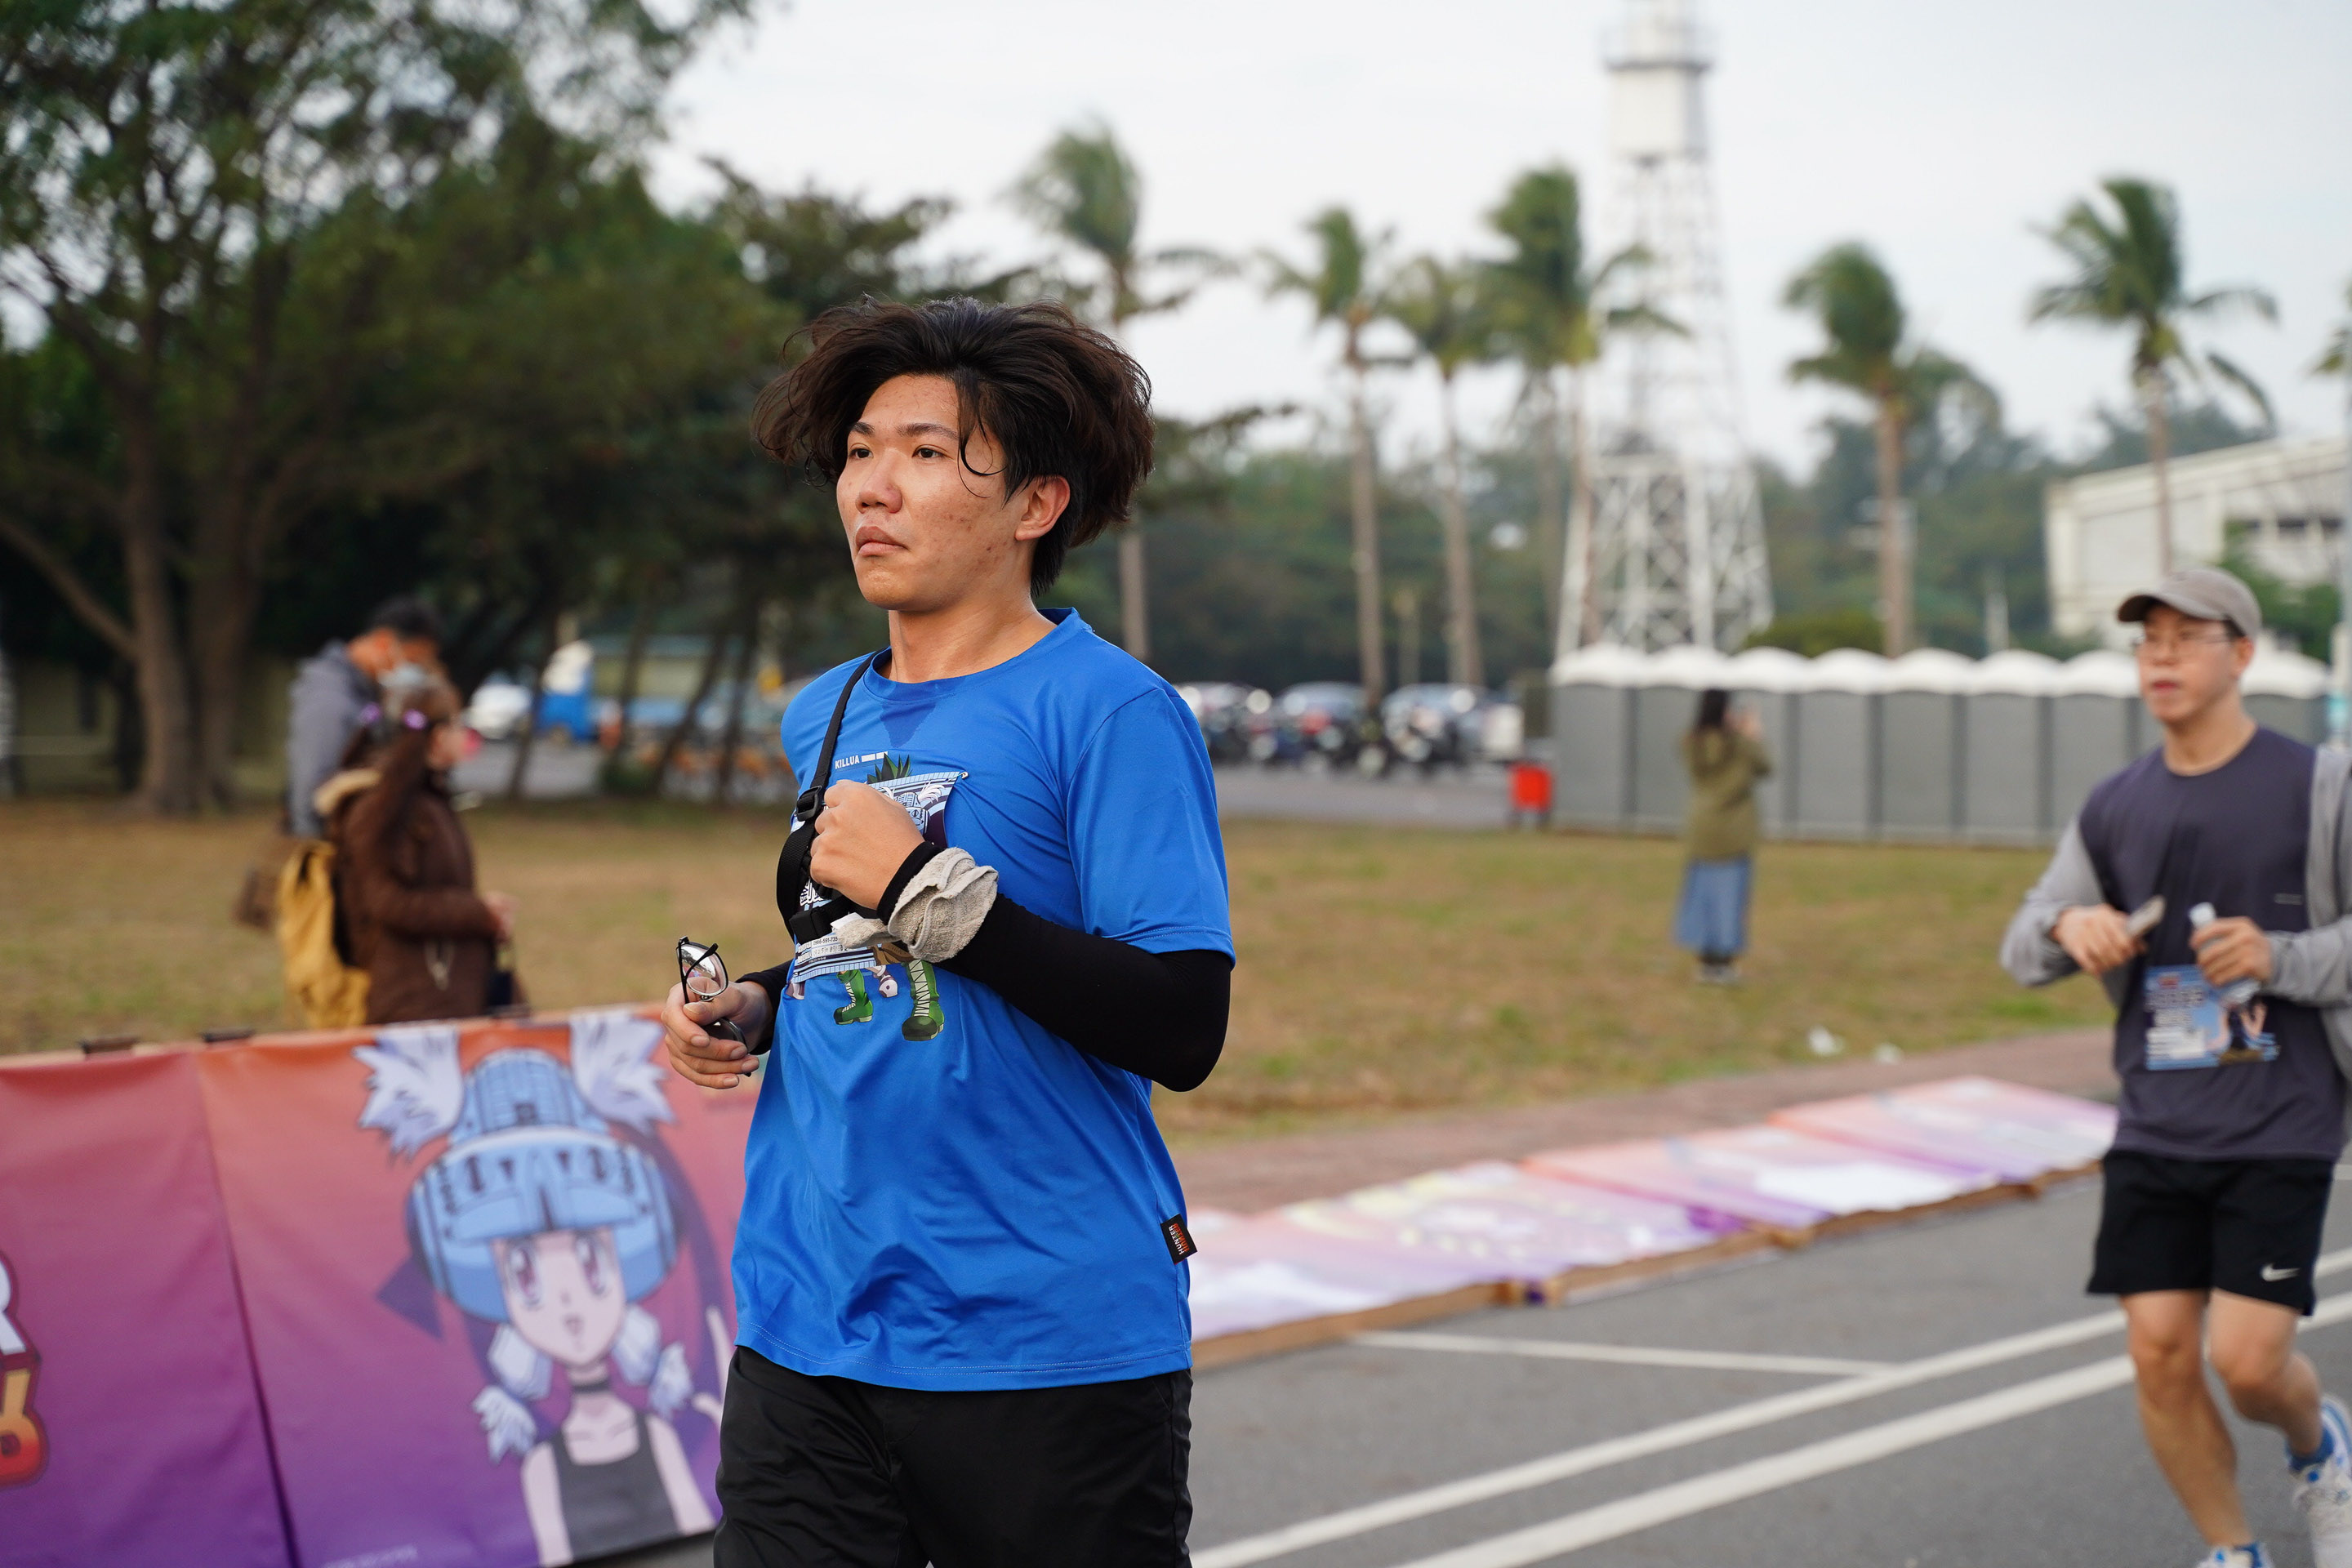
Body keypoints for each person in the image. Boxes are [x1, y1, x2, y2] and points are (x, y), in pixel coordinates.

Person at [659, 296, 1231, 1567]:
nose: (874, 488)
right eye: (861, 452)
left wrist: (930, 890)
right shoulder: (826, 708)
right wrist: (759, 1003)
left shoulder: (1112, 711)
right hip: (811, 1316)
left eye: (927, 453)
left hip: (1043, 1338)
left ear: (1037, 503)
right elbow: (853, 952)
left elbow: (1183, 1023)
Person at [2001, 566, 2352, 1568]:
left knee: (2248, 1365)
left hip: (2284, 1113)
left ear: (2241, 655)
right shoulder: (2117, 804)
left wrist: (2280, 958)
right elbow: (2022, 943)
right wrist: (2071, 927)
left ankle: (2320, 1445)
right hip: (2158, 1117)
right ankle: (2233, 1552)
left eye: (2187, 638)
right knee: (2158, 1351)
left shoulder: (2322, 788)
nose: (2161, 656)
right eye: (2147, 639)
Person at [338, 677, 516, 1024]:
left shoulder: (427, 801)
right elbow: (388, 902)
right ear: (438, 737)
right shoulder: (382, 810)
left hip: (451, 993)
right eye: (459, 724)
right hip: (417, 1001)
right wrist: (478, 913)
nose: (465, 734)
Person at [286, 596, 443, 838]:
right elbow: (311, 796)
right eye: (413, 661)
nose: (414, 672)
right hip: (332, 841)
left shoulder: (364, 693)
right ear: (383, 642)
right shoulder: (330, 700)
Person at [1676, 687, 1771, 983]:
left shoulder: (1692, 744)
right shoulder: (1739, 746)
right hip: (1733, 833)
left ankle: (1705, 961)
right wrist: (1752, 734)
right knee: (1729, 899)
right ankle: (1724, 965)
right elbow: (1766, 767)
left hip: (1701, 830)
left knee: (1703, 897)